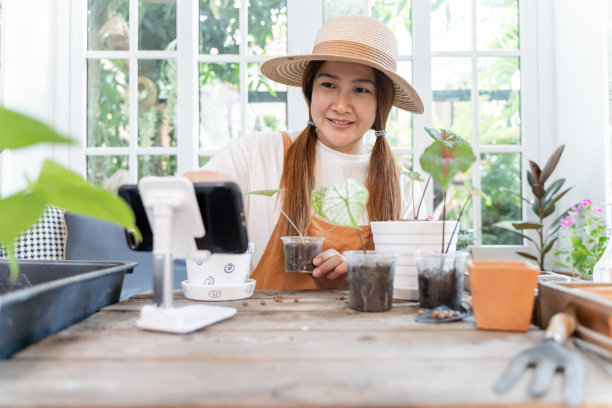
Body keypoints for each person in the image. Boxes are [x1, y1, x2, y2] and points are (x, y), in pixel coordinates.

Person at [186, 15, 425, 290]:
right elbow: (193, 203)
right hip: (264, 330)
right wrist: (194, 189)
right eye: (328, 85)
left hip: (366, 332)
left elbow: (414, 287)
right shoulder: (258, 154)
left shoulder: (404, 187)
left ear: (381, 103)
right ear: (310, 91)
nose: (341, 105)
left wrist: (360, 275)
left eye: (360, 89)